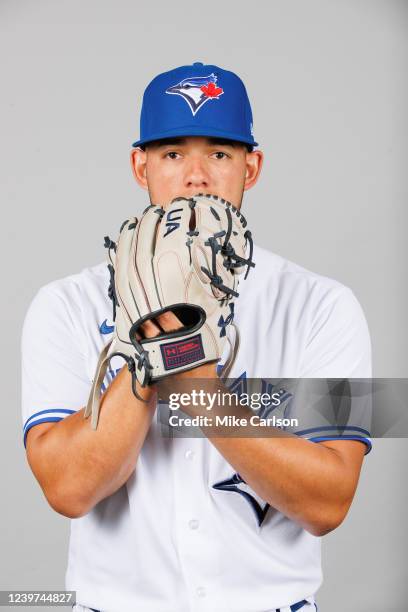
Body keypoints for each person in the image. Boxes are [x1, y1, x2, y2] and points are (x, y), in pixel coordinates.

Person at [22, 62, 372, 612]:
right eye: (171, 154)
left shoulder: (323, 306)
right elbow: (67, 489)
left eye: (219, 153)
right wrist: (146, 354)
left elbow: (328, 501)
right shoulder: (64, 304)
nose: (196, 177)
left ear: (251, 167)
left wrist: (199, 389)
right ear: (140, 167)